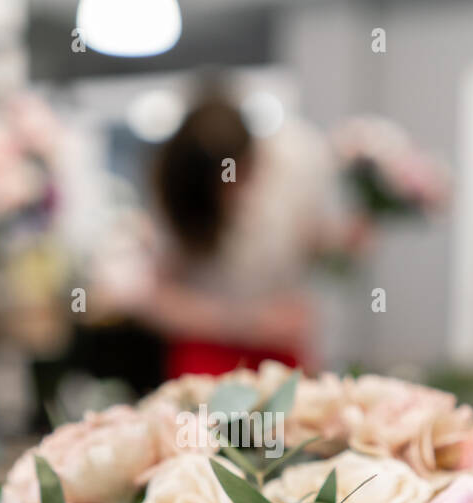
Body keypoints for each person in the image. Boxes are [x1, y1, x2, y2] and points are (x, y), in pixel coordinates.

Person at [135, 91, 346, 378]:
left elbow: (310, 244)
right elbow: (155, 301)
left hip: (278, 352)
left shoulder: (287, 172)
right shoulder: (172, 207)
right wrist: (247, 322)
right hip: (207, 358)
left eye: (242, 172)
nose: (236, 186)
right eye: (224, 179)